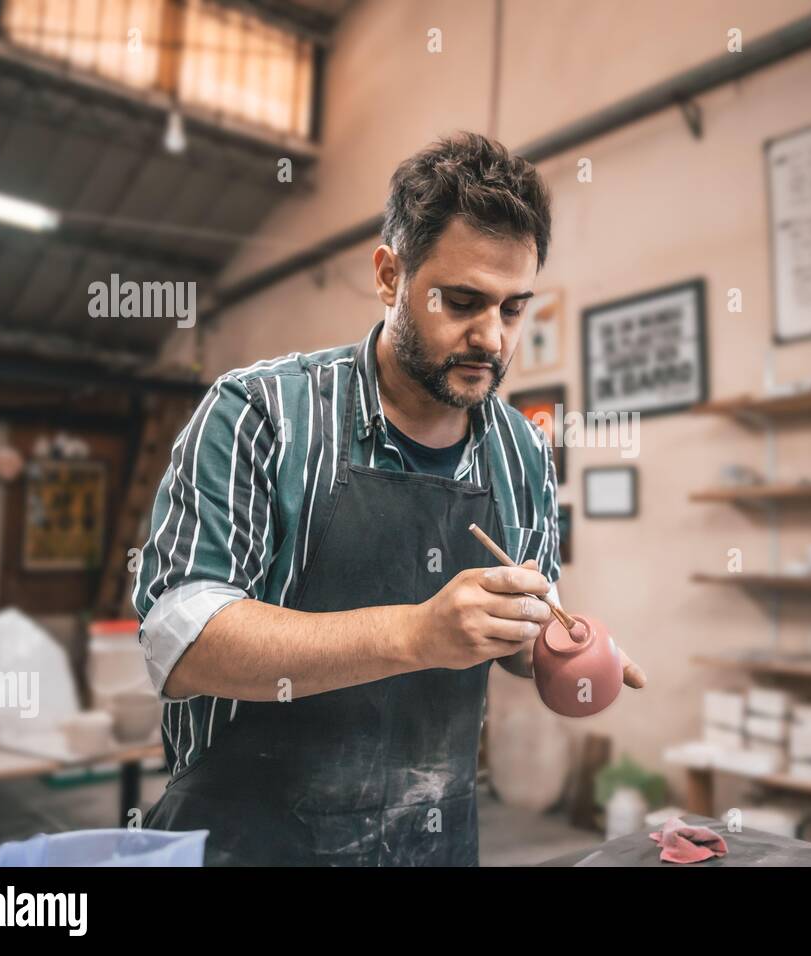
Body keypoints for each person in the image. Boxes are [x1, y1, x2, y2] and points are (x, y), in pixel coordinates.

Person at [134, 132, 644, 865]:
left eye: (512, 309)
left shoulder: (521, 450)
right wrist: (415, 634)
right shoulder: (260, 414)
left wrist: (561, 646)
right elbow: (177, 642)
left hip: (430, 842)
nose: (491, 339)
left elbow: (518, 633)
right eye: (462, 301)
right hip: (248, 843)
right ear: (388, 275)